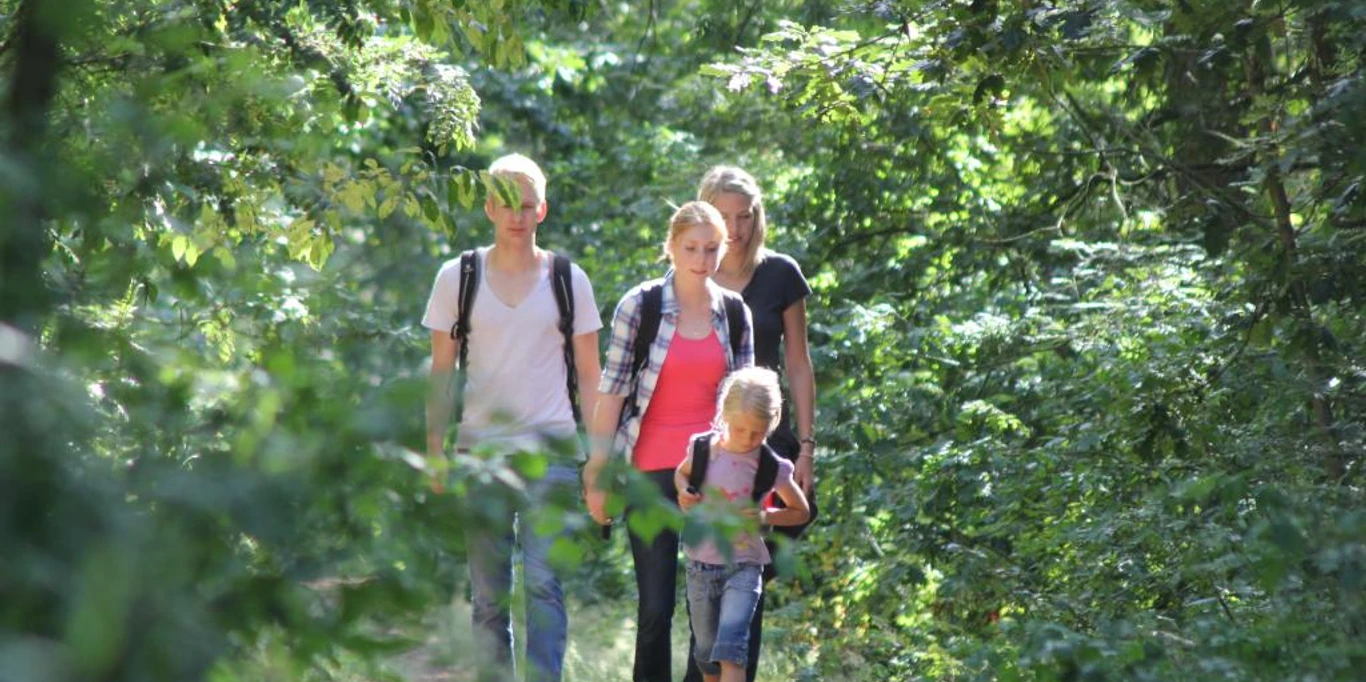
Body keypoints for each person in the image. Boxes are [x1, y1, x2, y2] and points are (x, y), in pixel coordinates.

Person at [422, 153, 603, 682]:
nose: (517, 216)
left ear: (542, 209)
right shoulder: (458, 277)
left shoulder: (570, 280)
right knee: (488, 597)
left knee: (546, 587)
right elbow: (441, 373)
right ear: (488, 209)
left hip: (553, 455)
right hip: (481, 456)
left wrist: (599, 459)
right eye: (506, 204)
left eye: (526, 205)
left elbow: (591, 376)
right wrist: (434, 452)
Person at [583, 200, 754, 682]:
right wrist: (597, 471)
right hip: (648, 473)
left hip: (714, 477)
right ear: (672, 248)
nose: (702, 258)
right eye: (692, 248)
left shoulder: (735, 314)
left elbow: (745, 401)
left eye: (712, 248)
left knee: (708, 611)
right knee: (656, 608)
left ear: (724, 250)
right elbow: (612, 392)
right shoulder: (641, 306)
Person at [689, 165, 818, 682]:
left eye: (745, 217)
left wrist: (806, 448)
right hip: (706, 449)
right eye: (724, 217)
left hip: (765, 447)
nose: (736, 229)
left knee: (749, 580)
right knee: (705, 587)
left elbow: (800, 365)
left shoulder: (781, 273)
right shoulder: (695, 272)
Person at [676, 367, 810, 682]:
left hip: (745, 567)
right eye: (740, 429)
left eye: (758, 433)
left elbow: (800, 511)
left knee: (732, 654)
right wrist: (684, 491)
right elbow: (681, 474)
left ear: (771, 425)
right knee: (708, 658)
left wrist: (767, 516)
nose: (748, 439)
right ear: (724, 415)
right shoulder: (702, 450)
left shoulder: (771, 465)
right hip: (701, 567)